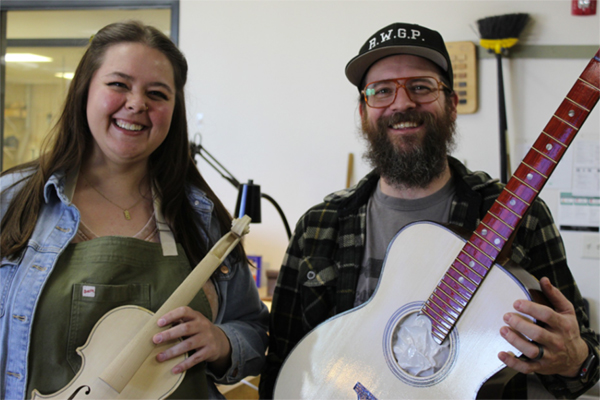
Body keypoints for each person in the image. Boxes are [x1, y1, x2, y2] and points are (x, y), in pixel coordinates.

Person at [260, 22, 599, 399]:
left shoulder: (521, 214)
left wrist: (574, 359)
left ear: (451, 105)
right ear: (362, 112)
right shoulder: (318, 227)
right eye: (382, 91)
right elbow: (281, 368)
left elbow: (582, 369)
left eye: (421, 87)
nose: (402, 103)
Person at [0, 21, 268, 400]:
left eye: (157, 93)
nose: (137, 103)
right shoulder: (13, 201)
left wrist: (223, 342)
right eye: (118, 84)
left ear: (174, 110)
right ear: (84, 90)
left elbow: (253, 328)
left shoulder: (199, 216)